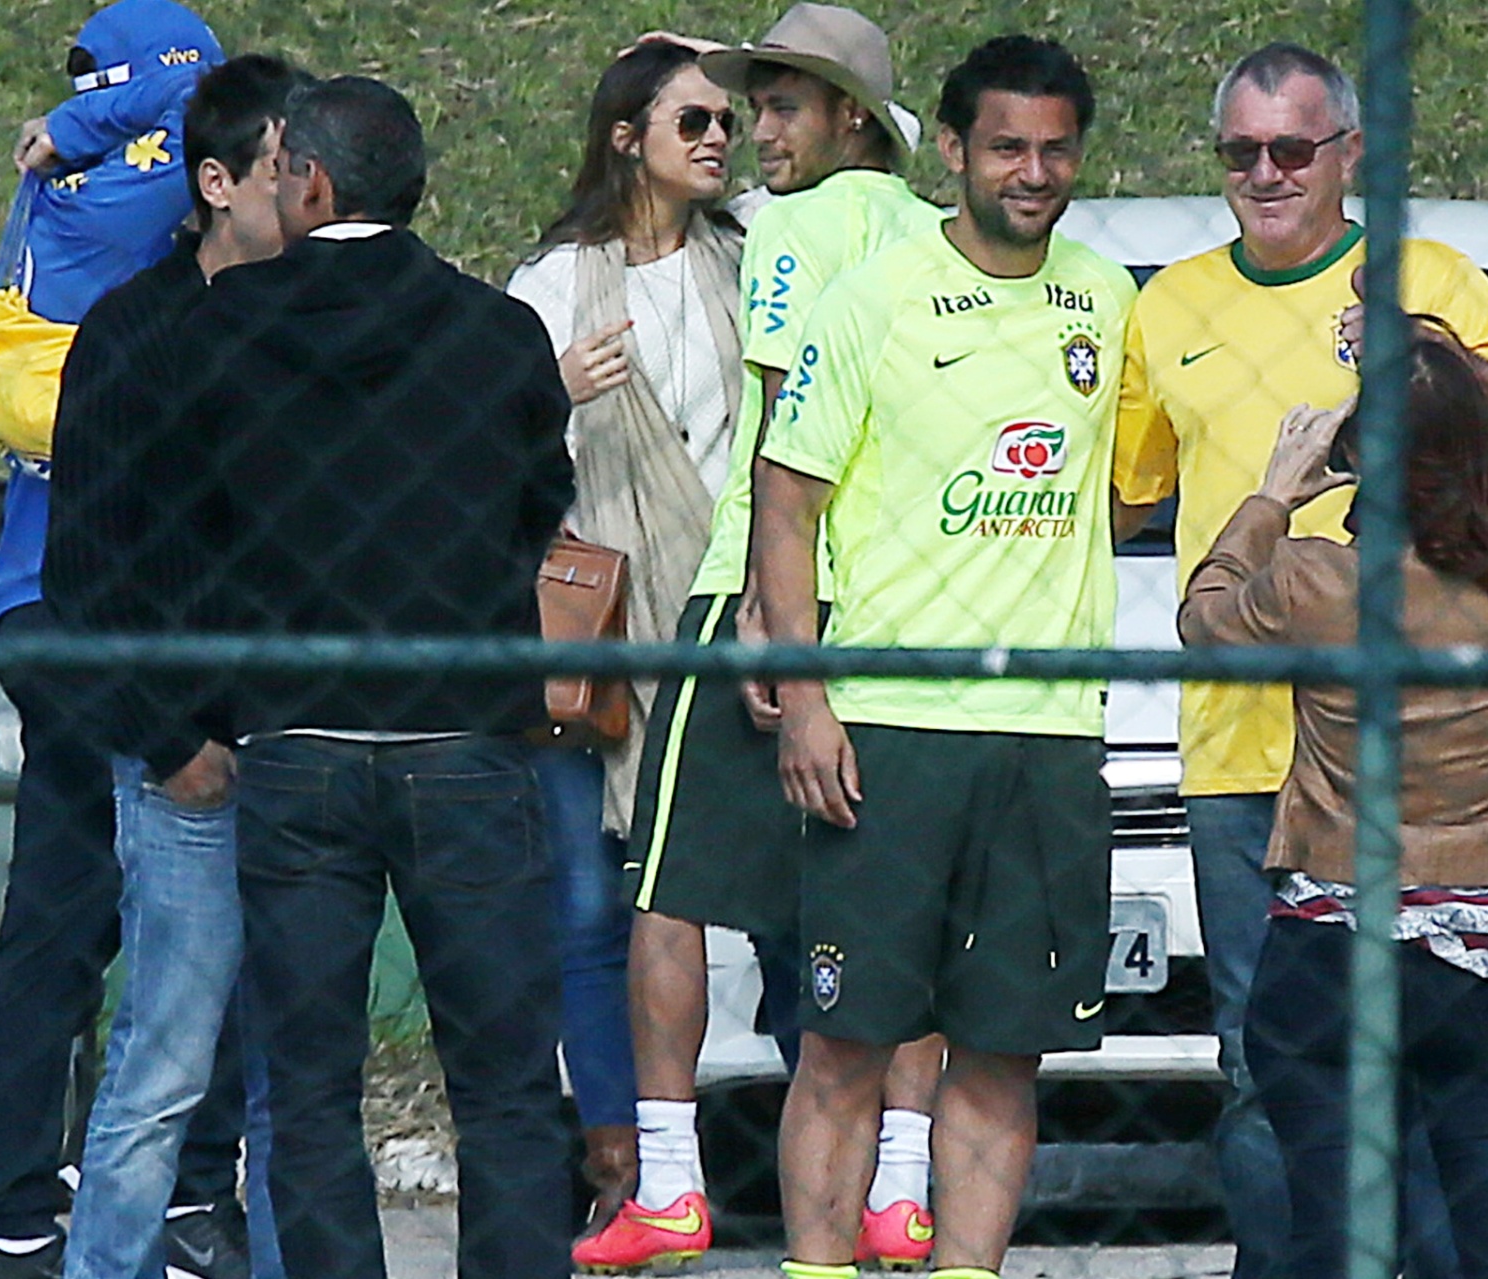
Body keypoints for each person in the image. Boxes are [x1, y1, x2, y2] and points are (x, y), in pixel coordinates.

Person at [1110, 41, 1488, 1279]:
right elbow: (1124, 496)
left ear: (1348, 156)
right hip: (1242, 751)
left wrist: (1426, 346)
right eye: (1240, 153)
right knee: (1268, 1076)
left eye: (1291, 150)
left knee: (1438, 1083)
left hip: (1414, 767)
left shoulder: (1427, 274)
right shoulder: (1170, 305)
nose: (1265, 175)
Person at [166, 76, 576, 1279]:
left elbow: (193, 527)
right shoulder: (498, 332)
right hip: (465, 733)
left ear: (313, 184)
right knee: (502, 1082)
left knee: (306, 1085)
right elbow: (537, 510)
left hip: (296, 740)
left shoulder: (225, 326)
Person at [754, 36, 1136, 1279]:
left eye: (1056, 146)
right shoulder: (874, 297)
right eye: (1010, 147)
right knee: (847, 1047)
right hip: (889, 726)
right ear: (957, 153)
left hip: (1046, 733)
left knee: (1001, 1052)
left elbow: (1122, 486)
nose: (1035, 171)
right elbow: (785, 495)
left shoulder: (1106, 294)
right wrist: (805, 692)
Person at [574, 7, 945, 1271]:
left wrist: (765, 607)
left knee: (667, 892)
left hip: (761, 586)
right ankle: (903, 1186)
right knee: (888, 903)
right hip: (896, 603)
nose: (756, 132)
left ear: (850, 116)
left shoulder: (793, 228)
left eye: (782, 104)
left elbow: (783, 405)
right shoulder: (936, 237)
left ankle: (669, 1179)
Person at [1178, 334, 1488, 1277]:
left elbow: (1203, 620)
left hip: (1338, 942)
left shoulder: (1310, 582)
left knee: (1338, 1238)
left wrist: (1269, 498)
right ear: (1476, 457)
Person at [0, 5, 250, 1277]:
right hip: (126, 600)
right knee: (192, 905)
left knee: (57, 913)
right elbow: (208, 94)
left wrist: (75, 118)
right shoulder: (124, 188)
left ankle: (18, 1216)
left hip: (39, 596)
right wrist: (94, 112)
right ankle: (186, 1198)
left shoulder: (56, 203)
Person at [41, 53, 312, 1279]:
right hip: (186, 761)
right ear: (215, 181)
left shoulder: (329, 321)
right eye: (282, 167)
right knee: (163, 1056)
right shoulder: (131, 336)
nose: (308, 188)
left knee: (302, 1074)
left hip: (321, 757)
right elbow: (86, 576)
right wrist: (169, 743)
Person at [502, 38, 744, 1242]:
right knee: (594, 910)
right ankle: (622, 1162)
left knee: (796, 901)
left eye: (727, 122)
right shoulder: (551, 284)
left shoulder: (753, 266)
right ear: (623, 137)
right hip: (596, 636)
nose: (717, 138)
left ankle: (833, 1154)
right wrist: (551, 392)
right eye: (691, 118)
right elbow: (478, 457)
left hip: (736, 624)